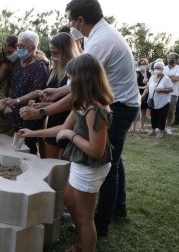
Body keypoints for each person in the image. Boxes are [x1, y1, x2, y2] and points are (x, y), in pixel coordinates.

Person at [20, 0, 140, 236]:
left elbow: (78, 91)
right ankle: (118, 207)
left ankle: (101, 221)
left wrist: (42, 111)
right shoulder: (101, 36)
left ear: (81, 19)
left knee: (108, 160)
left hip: (120, 106)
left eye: (72, 21)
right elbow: (76, 84)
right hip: (120, 102)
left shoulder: (99, 43)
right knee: (114, 159)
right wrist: (56, 91)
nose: (72, 26)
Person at [20, 54, 114, 252]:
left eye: (72, 79)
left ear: (83, 79)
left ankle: (86, 248)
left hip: (90, 167)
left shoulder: (95, 111)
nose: (69, 83)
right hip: (81, 163)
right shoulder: (81, 103)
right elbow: (62, 127)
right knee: (70, 201)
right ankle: (82, 244)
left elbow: (96, 151)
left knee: (84, 217)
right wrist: (33, 132)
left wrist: (71, 135)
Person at [4, 30, 48, 154]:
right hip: (15, 112)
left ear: (33, 48)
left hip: (30, 113)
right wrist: (10, 100)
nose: (18, 49)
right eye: (18, 46)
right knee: (15, 144)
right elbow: (13, 84)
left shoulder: (40, 67)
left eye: (22, 46)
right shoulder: (18, 63)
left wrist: (17, 100)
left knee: (28, 145)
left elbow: (36, 92)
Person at [142, 62, 173, 137]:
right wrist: (142, 95)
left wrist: (161, 90)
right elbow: (147, 87)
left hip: (163, 102)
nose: (156, 70)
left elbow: (171, 89)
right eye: (155, 68)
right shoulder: (152, 77)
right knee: (154, 116)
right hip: (153, 101)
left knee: (162, 117)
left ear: (162, 69)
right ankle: (153, 130)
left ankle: (160, 132)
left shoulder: (166, 78)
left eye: (158, 68)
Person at [163, 52, 179, 134]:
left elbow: (177, 78)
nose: (170, 59)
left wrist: (165, 77)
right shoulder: (164, 68)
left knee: (171, 111)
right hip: (163, 92)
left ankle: (168, 127)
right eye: (169, 57)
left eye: (172, 58)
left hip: (173, 93)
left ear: (176, 59)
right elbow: (159, 76)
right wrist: (171, 77)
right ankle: (161, 126)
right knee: (162, 110)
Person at [132, 59, 151, 133]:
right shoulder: (136, 73)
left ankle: (142, 128)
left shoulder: (149, 74)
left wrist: (146, 89)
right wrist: (142, 87)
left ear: (146, 65)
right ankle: (133, 128)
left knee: (144, 111)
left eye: (144, 64)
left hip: (146, 94)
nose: (142, 65)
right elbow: (133, 85)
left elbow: (151, 84)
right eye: (141, 64)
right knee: (136, 110)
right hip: (137, 93)